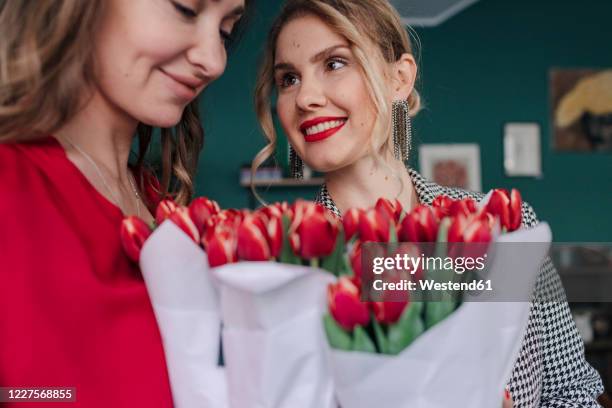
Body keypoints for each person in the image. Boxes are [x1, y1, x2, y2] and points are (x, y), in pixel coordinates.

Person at [252, 0, 604, 406]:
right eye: (288, 79)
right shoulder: (277, 258)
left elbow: (573, 390)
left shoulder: (505, 225)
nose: (305, 97)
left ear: (399, 78)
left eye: (333, 63)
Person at [0, 0, 246, 406]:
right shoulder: (14, 189)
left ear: (394, 76)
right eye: (185, 8)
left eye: (225, 32)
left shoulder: (167, 211)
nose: (215, 61)